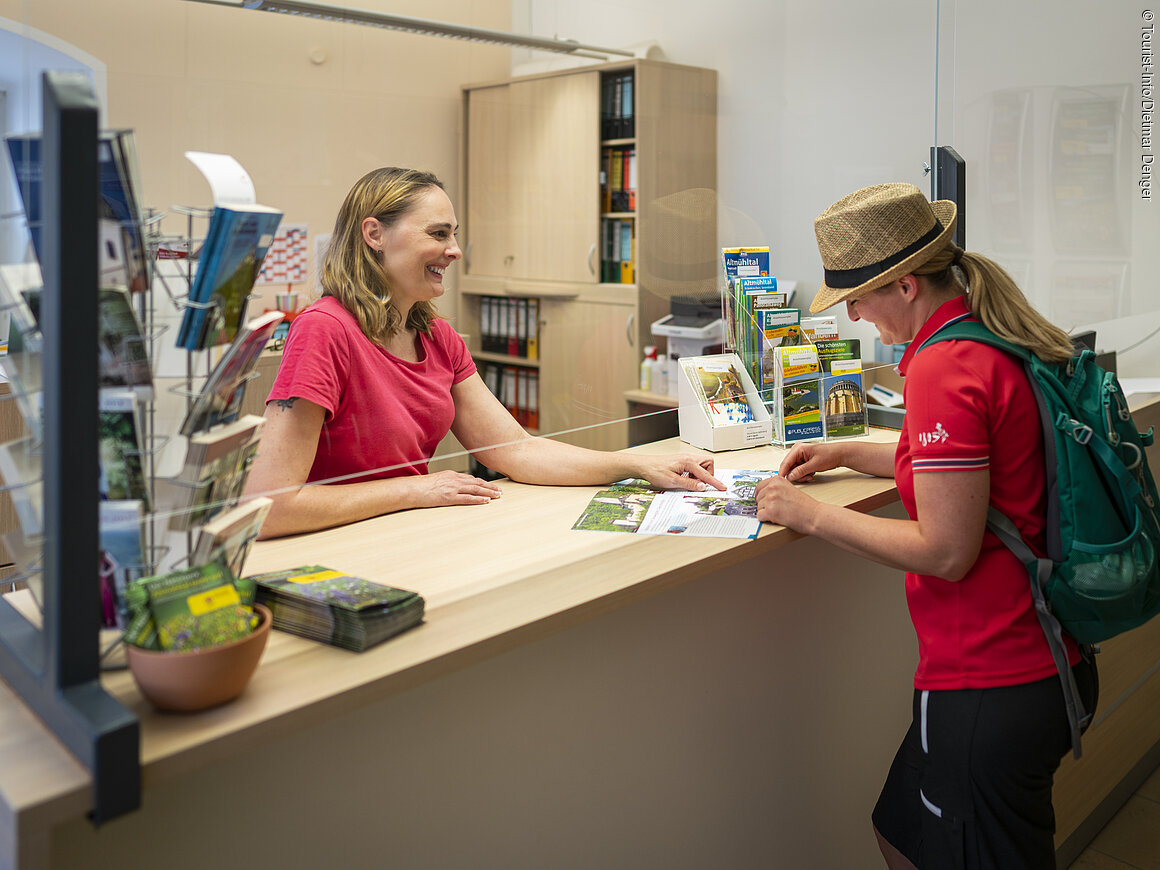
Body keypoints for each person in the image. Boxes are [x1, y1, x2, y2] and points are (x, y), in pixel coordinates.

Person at [754, 183, 1098, 870]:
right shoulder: (989, 334)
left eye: (858, 297)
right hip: (1047, 659)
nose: (851, 313)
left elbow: (945, 550)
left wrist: (808, 515)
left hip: (991, 678)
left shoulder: (945, 368)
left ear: (907, 285)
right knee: (902, 831)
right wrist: (850, 450)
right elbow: (973, 469)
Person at [244, 166, 722, 539]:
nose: (454, 250)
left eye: (454, 234)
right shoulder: (324, 330)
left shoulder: (437, 337)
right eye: (438, 234)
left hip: (406, 532)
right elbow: (268, 506)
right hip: (335, 546)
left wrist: (636, 465)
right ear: (374, 235)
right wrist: (417, 487)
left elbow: (517, 450)